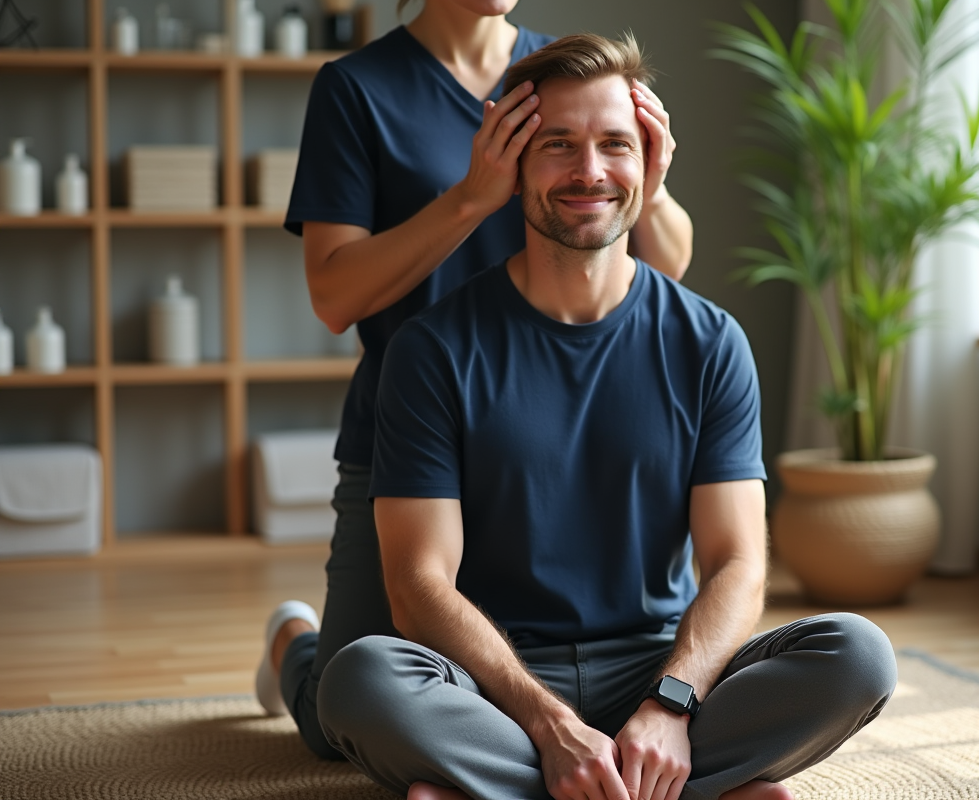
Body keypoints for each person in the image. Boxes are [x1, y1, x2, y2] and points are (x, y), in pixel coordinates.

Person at [314, 33, 898, 800]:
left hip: (655, 666)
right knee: (359, 679)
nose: (590, 171)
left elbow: (737, 563)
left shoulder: (710, 343)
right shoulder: (431, 349)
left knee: (859, 656)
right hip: (497, 679)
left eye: (614, 145)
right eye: (558, 145)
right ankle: (659, 784)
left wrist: (671, 704)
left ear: (649, 165)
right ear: (511, 162)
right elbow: (420, 583)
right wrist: (548, 724)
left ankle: (542, 782)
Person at [254, 0, 694, 760]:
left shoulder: (570, 73)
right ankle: (294, 644)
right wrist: (471, 198)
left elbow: (670, 263)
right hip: (412, 437)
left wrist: (645, 180)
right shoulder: (357, 89)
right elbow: (334, 296)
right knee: (344, 718)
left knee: (520, 675)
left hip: (548, 434)